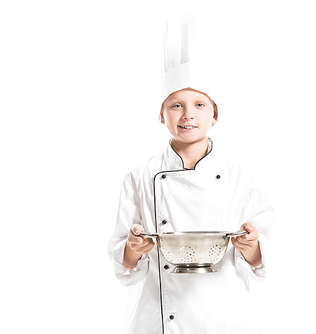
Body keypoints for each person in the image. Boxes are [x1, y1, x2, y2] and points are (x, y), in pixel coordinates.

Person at [107, 16, 274, 334]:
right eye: (175, 105)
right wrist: (132, 249)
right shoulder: (139, 178)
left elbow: (263, 261)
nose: (188, 115)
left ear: (215, 113)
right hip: (157, 320)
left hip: (226, 319)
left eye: (199, 104)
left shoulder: (241, 176)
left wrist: (252, 245)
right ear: (160, 114)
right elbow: (124, 268)